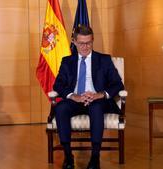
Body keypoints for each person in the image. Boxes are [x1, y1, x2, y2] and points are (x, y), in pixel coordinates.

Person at [53, 25, 124, 169]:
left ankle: (95, 157)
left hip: (97, 100)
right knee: (60, 108)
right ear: (74, 41)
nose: (85, 47)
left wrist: (100, 94)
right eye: (81, 43)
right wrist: (73, 96)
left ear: (93, 40)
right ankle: (68, 156)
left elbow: (117, 84)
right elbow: (58, 85)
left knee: (96, 107)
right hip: (75, 100)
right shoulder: (67, 61)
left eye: (89, 43)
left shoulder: (104, 60)